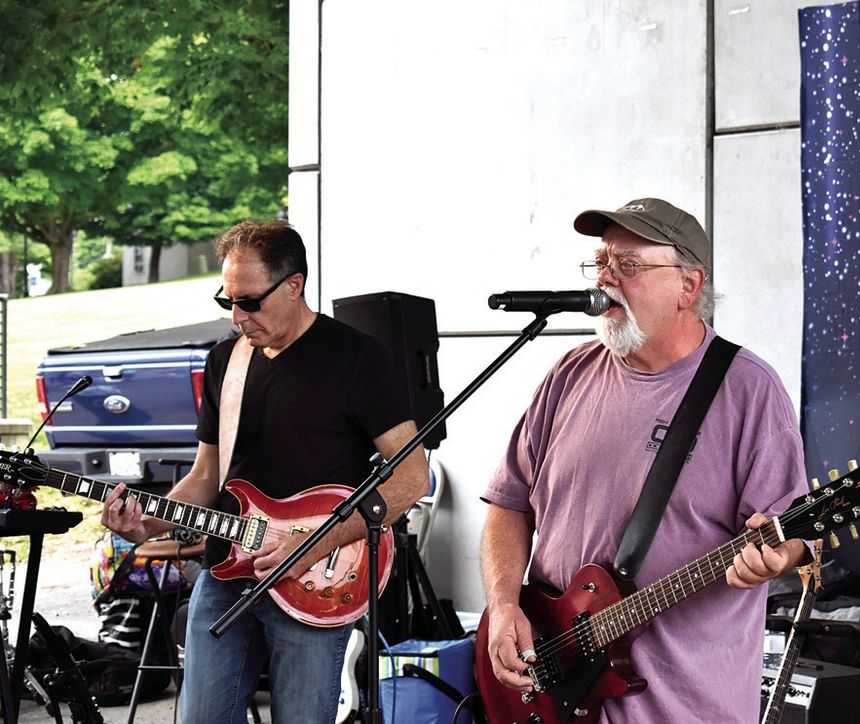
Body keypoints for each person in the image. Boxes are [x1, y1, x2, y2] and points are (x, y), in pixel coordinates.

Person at [480, 198, 810, 722]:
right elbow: (507, 502)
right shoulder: (569, 374)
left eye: (628, 265)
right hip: (554, 692)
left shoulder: (748, 389)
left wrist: (779, 553)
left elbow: (794, 531)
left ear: (689, 286)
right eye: (602, 262)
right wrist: (503, 607)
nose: (606, 278)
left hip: (685, 707)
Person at [101, 220, 429, 724]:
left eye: (250, 302)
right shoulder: (224, 363)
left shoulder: (356, 357)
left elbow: (410, 479)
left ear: (293, 285)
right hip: (226, 572)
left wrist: (312, 544)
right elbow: (207, 476)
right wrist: (148, 524)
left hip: (315, 578)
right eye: (227, 301)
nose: (238, 316)